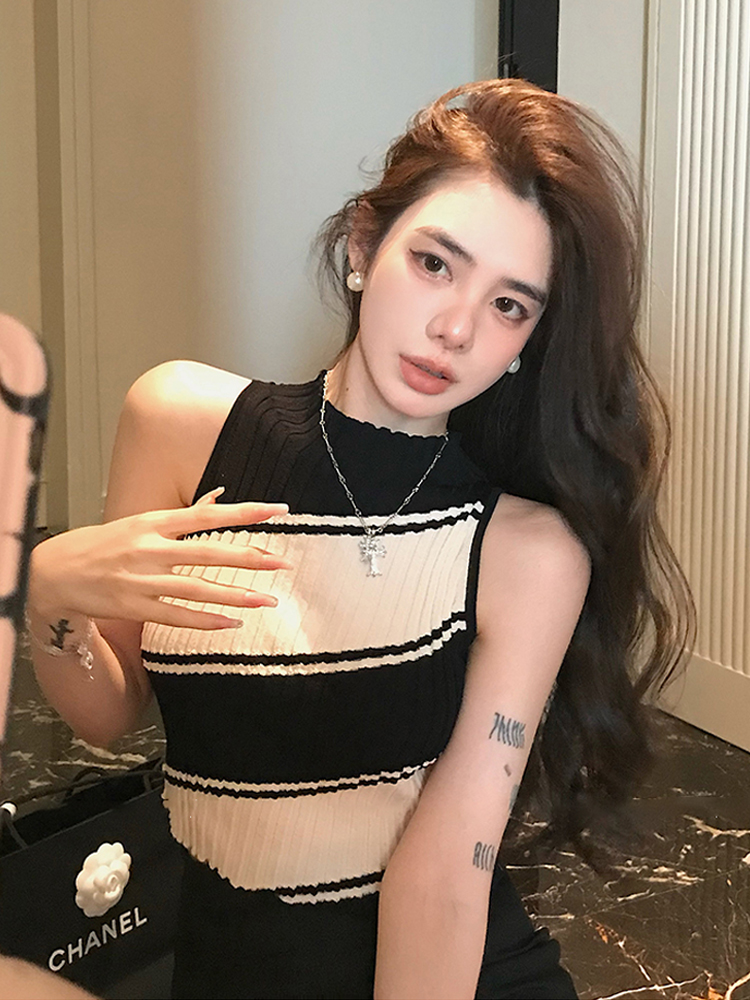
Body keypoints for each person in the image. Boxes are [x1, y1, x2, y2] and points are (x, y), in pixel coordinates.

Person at [25, 80, 693, 1000]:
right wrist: (49, 596)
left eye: (510, 305)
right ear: (363, 245)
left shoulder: (528, 551)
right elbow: (109, 712)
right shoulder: (180, 423)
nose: (455, 328)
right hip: (231, 963)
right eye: (435, 263)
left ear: (531, 341)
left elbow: (449, 868)